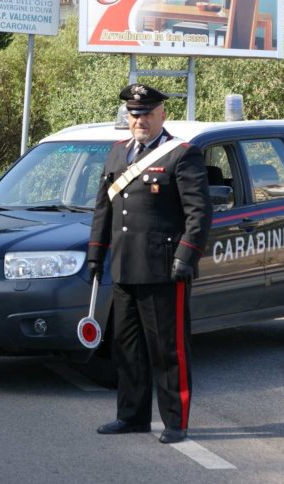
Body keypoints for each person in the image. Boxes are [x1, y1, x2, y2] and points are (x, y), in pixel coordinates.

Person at [87, 83, 212, 444]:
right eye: (133, 114)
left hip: (163, 268)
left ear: (162, 115)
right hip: (125, 266)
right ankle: (131, 416)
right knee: (126, 348)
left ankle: (176, 421)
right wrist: (97, 253)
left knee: (168, 350)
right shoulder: (116, 154)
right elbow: (103, 209)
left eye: (146, 113)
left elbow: (199, 213)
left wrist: (186, 256)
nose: (139, 120)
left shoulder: (181, 155)